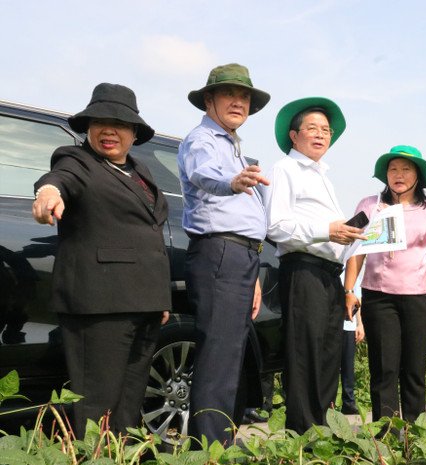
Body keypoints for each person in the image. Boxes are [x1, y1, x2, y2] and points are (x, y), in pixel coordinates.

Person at [31, 83, 171, 438]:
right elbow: (58, 179)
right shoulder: (76, 160)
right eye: (100, 122)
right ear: (88, 128)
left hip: (145, 302)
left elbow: (150, 234)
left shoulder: (142, 172)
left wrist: (160, 298)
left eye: (120, 123)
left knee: (129, 399)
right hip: (100, 303)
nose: (109, 130)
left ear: (134, 132)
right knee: (97, 402)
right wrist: (48, 193)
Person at [177, 63, 271, 444]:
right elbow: (205, 174)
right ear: (209, 100)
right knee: (218, 354)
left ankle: (223, 443)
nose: (238, 102)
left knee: (231, 353)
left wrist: (255, 272)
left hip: (241, 257)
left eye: (245, 96)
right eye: (229, 94)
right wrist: (231, 182)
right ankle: (210, 452)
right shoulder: (204, 140)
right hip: (220, 252)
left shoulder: (234, 145)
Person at [264, 97, 365, 434]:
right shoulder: (285, 169)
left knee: (327, 354)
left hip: (328, 274)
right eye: (312, 129)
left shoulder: (324, 177)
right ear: (294, 136)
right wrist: (327, 230)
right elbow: (275, 226)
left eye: (326, 130)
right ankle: (303, 434)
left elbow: (330, 233)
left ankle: (321, 430)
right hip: (302, 268)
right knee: (304, 352)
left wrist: (350, 234)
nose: (321, 135)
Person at [343, 145, 426, 424]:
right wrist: (348, 290)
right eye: (393, 169)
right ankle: (386, 436)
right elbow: (357, 251)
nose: (398, 175)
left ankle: (417, 437)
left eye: (406, 169)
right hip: (379, 298)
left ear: (418, 176)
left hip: (418, 299)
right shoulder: (370, 206)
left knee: (414, 371)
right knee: (384, 369)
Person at [340, 309, 365, 415]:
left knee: (348, 367)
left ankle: (349, 402)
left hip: (349, 326)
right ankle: (327, 403)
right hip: (329, 326)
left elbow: (357, 300)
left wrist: (360, 324)